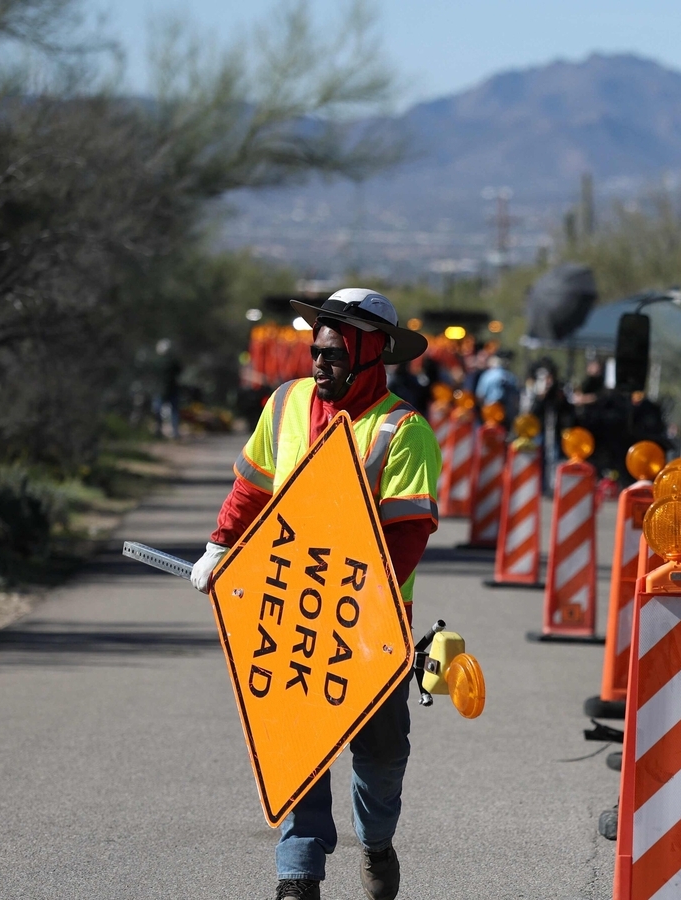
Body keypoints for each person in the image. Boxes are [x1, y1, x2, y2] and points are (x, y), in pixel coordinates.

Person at [190, 288, 438, 900]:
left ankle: (376, 843)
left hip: (371, 630)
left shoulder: (403, 431)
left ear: (368, 354)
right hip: (289, 618)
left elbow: (407, 538)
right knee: (295, 751)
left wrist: (354, 596)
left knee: (380, 758)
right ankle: (297, 876)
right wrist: (220, 547)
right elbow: (251, 489)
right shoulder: (285, 405)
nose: (319, 365)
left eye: (332, 355)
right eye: (315, 352)